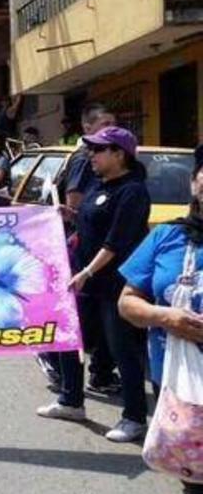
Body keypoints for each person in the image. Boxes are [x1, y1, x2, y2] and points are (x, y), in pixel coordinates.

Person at [37, 126, 151, 444]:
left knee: (122, 350)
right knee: (68, 339)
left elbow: (116, 241)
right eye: (91, 149)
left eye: (99, 150)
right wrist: (70, 214)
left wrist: (86, 271)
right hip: (87, 281)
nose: (92, 155)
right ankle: (71, 401)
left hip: (115, 285)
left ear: (120, 154)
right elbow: (92, 226)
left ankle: (134, 418)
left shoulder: (133, 191)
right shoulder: (101, 186)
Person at [118, 162, 203, 494]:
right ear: (195, 185)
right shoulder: (167, 236)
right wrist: (167, 318)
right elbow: (127, 303)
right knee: (193, 473)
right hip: (175, 378)